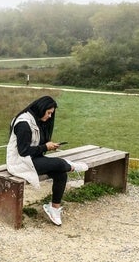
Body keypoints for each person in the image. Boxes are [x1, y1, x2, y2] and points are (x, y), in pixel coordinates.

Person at [6, 96, 88, 226]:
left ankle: (54, 208)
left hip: (32, 160)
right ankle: (70, 166)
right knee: (60, 164)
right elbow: (23, 151)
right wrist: (45, 147)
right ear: (41, 108)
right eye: (49, 113)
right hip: (20, 162)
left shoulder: (36, 120)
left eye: (51, 113)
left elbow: (36, 145)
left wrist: (48, 145)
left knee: (61, 173)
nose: (50, 116)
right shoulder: (23, 123)